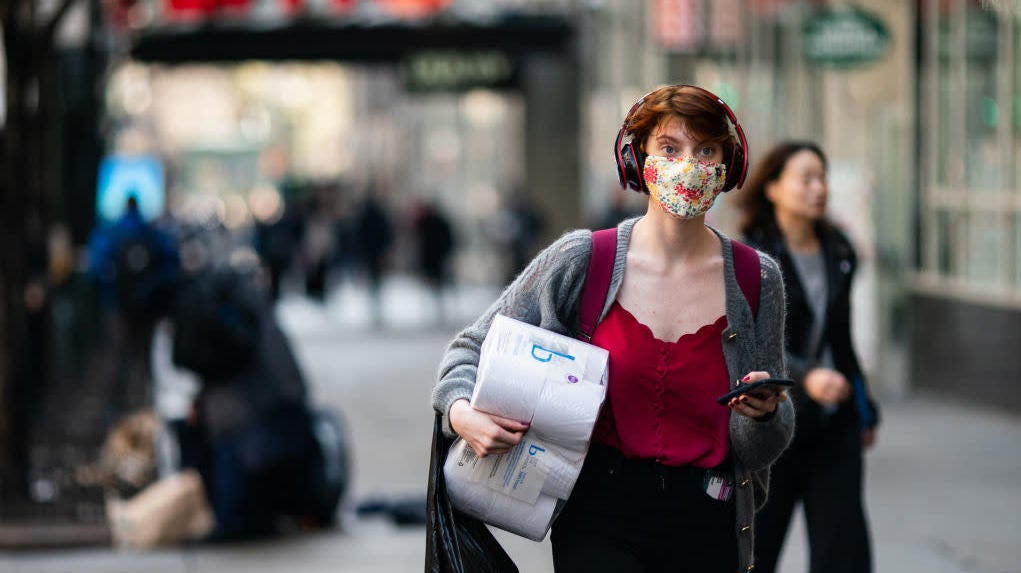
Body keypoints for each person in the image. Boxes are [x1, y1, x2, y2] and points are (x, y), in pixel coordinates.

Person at [431, 84, 795, 573]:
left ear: (729, 166)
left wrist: (765, 414)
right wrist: (461, 415)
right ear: (635, 159)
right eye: (670, 148)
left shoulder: (758, 279)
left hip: (710, 518)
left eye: (706, 149)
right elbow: (468, 349)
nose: (689, 164)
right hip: (598, 515)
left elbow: (759, 449)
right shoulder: (584, 260)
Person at [736, 141, 881, 573]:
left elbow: (841, 337)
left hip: (833, 419)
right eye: (806, 179)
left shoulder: (838, 250)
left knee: (844, 548)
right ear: (773, 188)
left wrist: (865, 408)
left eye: (823, 178)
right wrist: (805, 376)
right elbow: (750, 341)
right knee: (758, 547)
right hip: (773, 418)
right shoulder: (750, 258)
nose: (819, 188)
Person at [87, 194, 179, 416]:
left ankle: (117, 408)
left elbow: (96, 267)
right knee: (145, 357)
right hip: (147, 308)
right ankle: (145, 406)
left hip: (119, 306)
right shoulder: (152, 234)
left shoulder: (112, 233)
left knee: (120, 357)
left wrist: (110, 292)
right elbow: (172, 267)